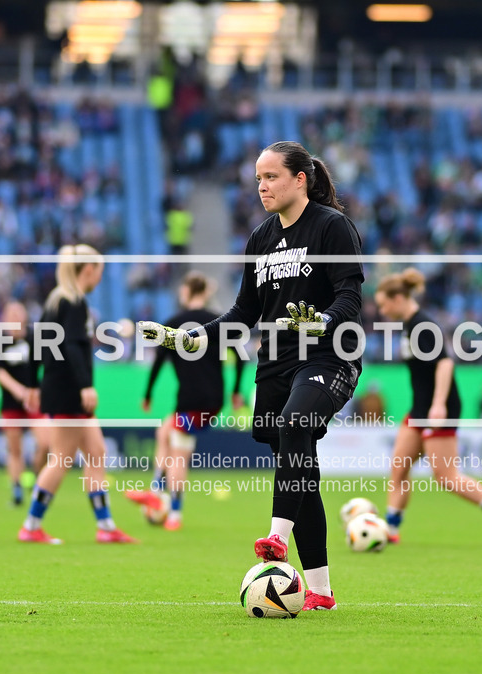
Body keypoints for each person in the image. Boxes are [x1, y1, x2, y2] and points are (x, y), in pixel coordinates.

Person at [138, 141, 363, 611]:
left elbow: (350, 297)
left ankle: (276, 539)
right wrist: (193, 338)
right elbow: (243, 313)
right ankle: (320, 590)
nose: (262, 186)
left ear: (300, 179)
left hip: (328, 356)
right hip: (276, 364)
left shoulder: (332, 227)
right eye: (258, 178)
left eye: (271, 177)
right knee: (302, 472)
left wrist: (320, 321)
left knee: (295, 424)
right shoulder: (261, 239)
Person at [374, 268, 482, 547]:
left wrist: (439, 404)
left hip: (437, 409)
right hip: (420, 408)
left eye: (383, 304)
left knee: (446, 477)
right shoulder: (409, 326)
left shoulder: (422, 325)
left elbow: (444, 363)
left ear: (397, 299)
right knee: (399, 468)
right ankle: (390, 530)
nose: (381, 310)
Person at [18, 244, 137, 545]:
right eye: (98, 271)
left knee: (96, 452)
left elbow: (35, 345)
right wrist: (85, 385)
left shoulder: (55, 301)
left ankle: (106, 527)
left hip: (59, 388)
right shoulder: (73, 303)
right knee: (60, 459)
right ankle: (31, 526)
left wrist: (33, 383)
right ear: (88, 270)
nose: (99, 278)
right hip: (68, 390)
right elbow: (71, 346)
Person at [126, 271, 246, 530]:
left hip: (190, 401)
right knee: (164, 433)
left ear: (186, 291)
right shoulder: (219, 322)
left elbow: (157, 362)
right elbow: (242, 358)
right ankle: (157, 491)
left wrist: (148, 394)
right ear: (205, 292)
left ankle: (172, 511)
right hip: (213, 401)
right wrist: (236, 391)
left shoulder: (173, 323)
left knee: (179, 454)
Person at [0, 301, 49, 506]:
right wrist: (19, 391)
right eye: (11, 314)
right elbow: (0, 372)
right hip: (11, 403)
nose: (15, 317)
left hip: (35, 402)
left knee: (45, 443)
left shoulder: (34, 338)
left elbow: (48, 366)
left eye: (18, 313)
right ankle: (16, 489)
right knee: (15, 450)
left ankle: (38, 481)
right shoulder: (2, 342)